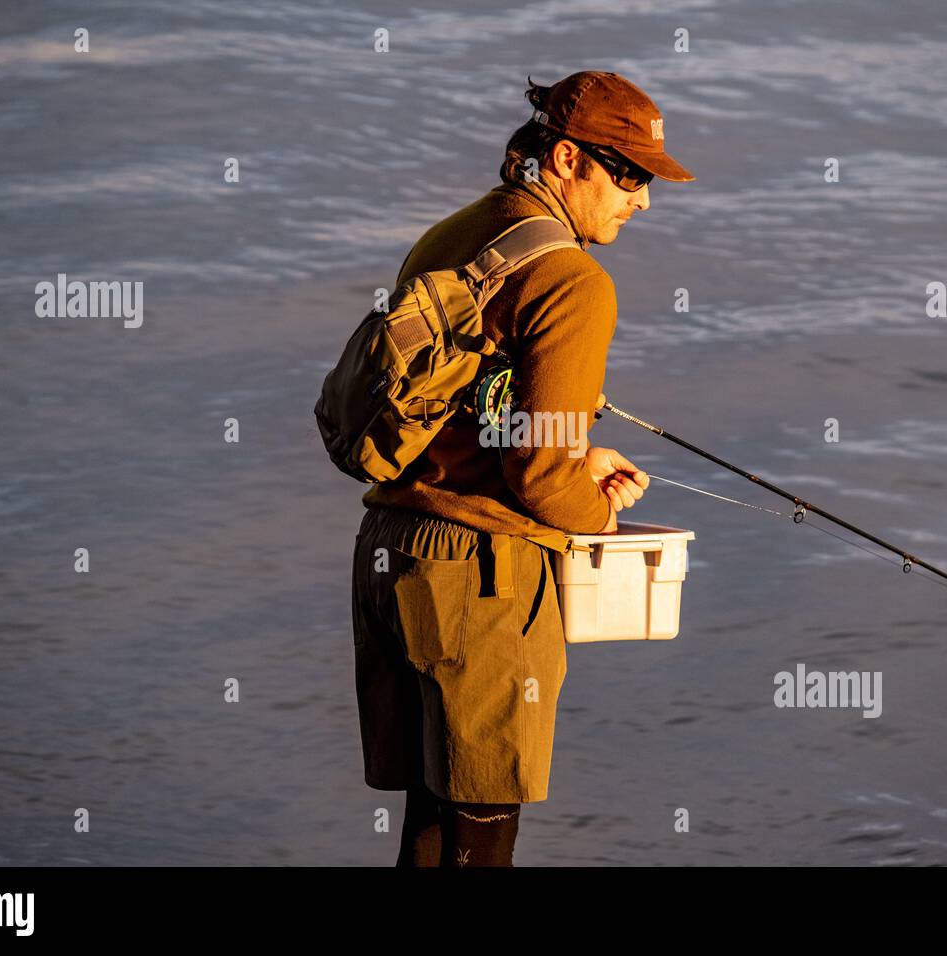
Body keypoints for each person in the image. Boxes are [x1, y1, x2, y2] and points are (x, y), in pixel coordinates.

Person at [349, 70, 696, 866]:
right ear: (569, 158)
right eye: (630, 174)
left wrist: (576, 454)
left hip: (390, 552)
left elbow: (474, 409)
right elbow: (541, 478)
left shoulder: (455, 234)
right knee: (480, 842)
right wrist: (600, 514)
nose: (642, 199)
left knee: (428, 834)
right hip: (480, 576)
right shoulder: (574, 279)